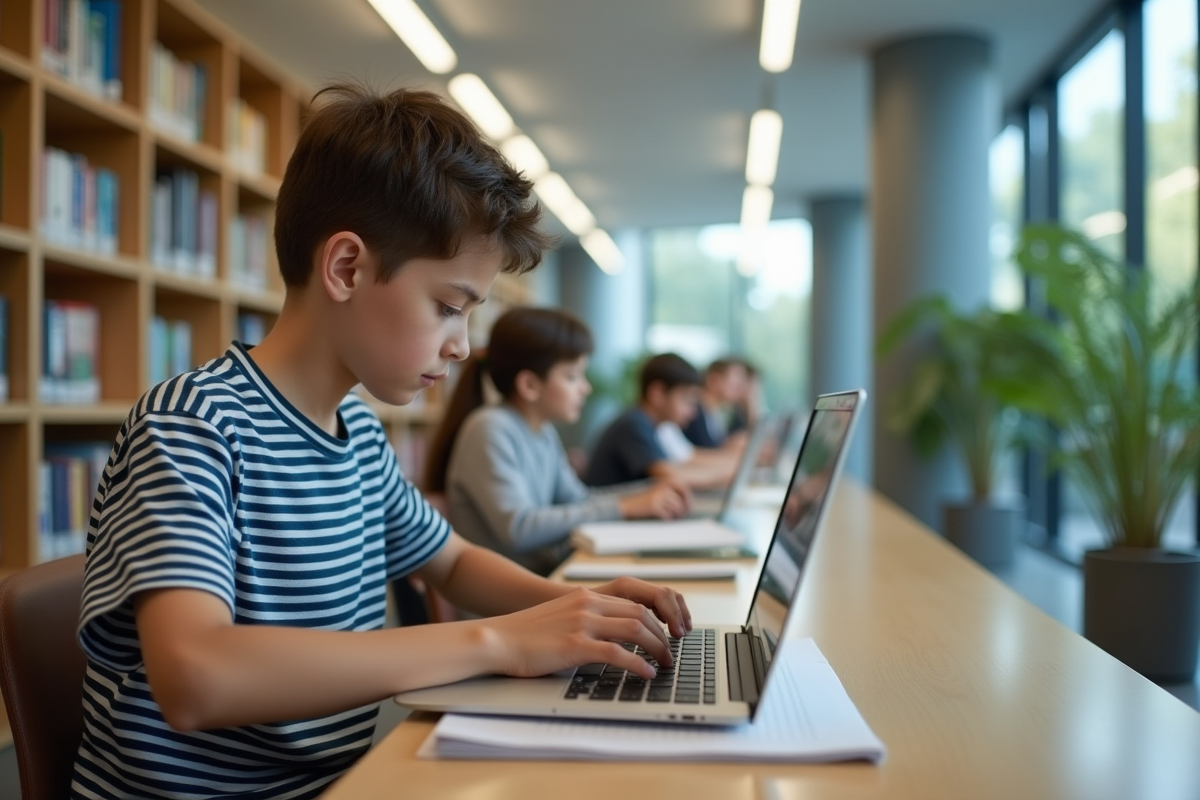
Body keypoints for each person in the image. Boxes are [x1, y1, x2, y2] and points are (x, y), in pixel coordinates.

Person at [70, 84, 691, 800]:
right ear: (346, 269)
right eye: (448, 308)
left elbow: (451, 561)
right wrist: (497, 640)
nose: (462, 347)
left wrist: (573, 609)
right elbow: (196, 675)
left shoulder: (358, 433)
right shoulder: (193, 426)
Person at [423, 306, 690, 576]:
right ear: (529, 385)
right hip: (506, 602)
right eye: (572, 376)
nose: (585, 387)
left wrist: (651, 491)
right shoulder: (489, 428)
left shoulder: (542, 431)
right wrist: (626, 507)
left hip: (543, 577)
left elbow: (578, 499)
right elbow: (519, 528)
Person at [585, 353, 739, 490]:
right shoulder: (634, 424)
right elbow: (670, 475)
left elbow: (684, 462)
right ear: (657, 394)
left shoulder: (657, 426)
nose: (692, 412)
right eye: (686, 400)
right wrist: (730, 472)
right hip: (607, 519)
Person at [682, 357, 751, 448]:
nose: (740, 390)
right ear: (714, 380)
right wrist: (727, 446)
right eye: (735, 384)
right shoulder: (692, 412)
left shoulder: (716, 413)